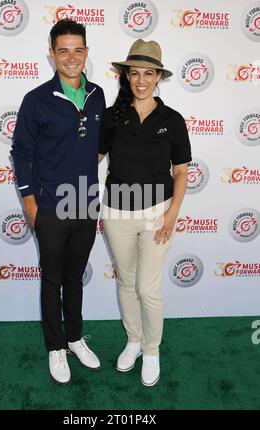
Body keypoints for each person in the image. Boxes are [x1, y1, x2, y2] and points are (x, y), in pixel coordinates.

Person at [11, 19, 105, 385]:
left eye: (77, 49)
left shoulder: (97, 94)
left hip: (86, 205)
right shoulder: (35, 100)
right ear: (51, 54)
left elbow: (97, 146)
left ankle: (75, 337)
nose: (71, 57)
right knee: (52, 281)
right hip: (50, 208)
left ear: (86, 52)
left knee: (75, 277)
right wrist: (31, 205)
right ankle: (55, 346)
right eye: (63, 50)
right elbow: (20, 154)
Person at [98, 39, 192, 387]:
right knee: (125, 281)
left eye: (148, 73)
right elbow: (91, 159)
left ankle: (151, 350)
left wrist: (172, 213)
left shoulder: (173, 120)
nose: (140, 80)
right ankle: (134, 341)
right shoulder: (111, 117)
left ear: (158, 77)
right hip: (115, 212)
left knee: (147, 287)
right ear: (125, 76)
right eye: (134, 73)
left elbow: (181, 171)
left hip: (158, 212)